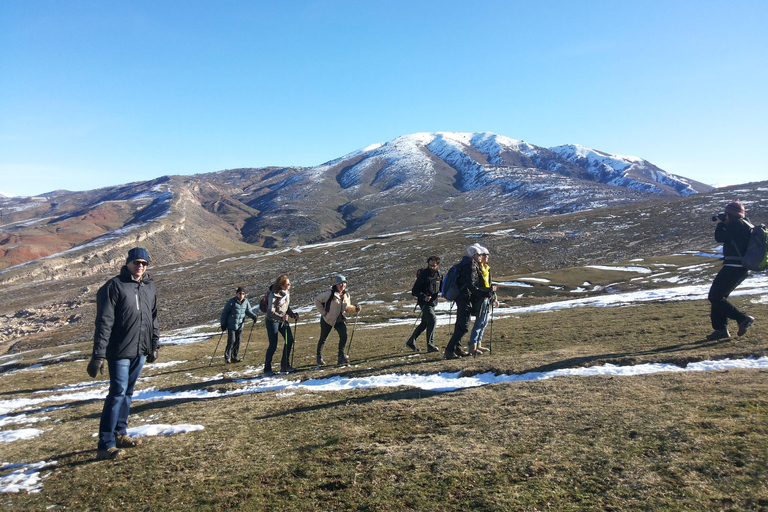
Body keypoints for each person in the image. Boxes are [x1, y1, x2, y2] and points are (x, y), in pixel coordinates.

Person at [87, 247, 160, 461]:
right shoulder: (113, 287)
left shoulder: (149, 287)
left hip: (140, 350)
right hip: (118, 351)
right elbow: (104, 322)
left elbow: (153, 318)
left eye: (144, 263)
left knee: (128, 393)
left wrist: (154, 344)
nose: (140, 266)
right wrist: (99, 354)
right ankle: (105, 444)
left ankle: (121, 433)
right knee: (117, 393)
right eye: (137, 262)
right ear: (128, 263)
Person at [707, 201, 755, 340]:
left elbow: (719, 237)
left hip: (734, 267)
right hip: (741, 267)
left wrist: (720, 224)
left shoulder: (737, 224)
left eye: (727, 214)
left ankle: (743, 319)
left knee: (715, 297)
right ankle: (720, 330)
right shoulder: (746, 224)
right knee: (719, 297)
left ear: (731, 214)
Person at [444, 245, 495, 360]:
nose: (480, 257)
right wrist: (484, 293)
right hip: (465, 299)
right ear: (473, 255)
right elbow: (470, 285)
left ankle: (458, 348)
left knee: (460, 325)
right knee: (464, 327)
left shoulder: (465, 264)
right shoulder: (469, 266)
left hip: (461, 298)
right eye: (478, 254)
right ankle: (449, 350)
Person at [314, 275, 362, 365]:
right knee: (323, 338)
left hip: (339, 320)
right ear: (336, 284)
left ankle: (341, 356)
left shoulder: (346, 295)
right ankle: (319, 357)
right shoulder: (330, 293)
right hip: (327, 319)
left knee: (344, 336)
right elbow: (317, 300)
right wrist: (323, 313)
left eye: (344, 283)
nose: (342, 285)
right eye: (340, 283)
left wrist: (355, 309)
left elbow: (347, 308)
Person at [263, 275, 300, 376]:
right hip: (272, 321)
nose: (289, 285)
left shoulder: (286, 293)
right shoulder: (273, 295)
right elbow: (270, 311)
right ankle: (267, 369)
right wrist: (281, 317)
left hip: (282, 320)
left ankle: (285, 365)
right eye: (287, 284)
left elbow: (286, 306)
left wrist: (292, 314)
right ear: (282, 285)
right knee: (273, 345)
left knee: (290, 340)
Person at [405, 256, 442, 353]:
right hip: (424, 303)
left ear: (437, 265)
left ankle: (411, 341)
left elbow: (441, 288)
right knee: (433, 320)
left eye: (434, 265)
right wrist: (424, 296)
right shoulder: (423, 274)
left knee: (425, 323)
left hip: (433, 303)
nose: (431, 267)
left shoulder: (439, 275)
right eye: (430, 265)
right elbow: (414, 290)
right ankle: (430, 346)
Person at [467, 245, 498, 355]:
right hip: (480, 299)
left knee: (484, 323)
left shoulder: (487, 269)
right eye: (485, 255)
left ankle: (478, 344)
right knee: (479, 322)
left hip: (487, 299)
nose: (486, 257)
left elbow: (489, 284)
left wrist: (494, 297)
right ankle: (473, 345)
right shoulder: (477, 269)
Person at [219, 287, 258, 363]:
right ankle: (227, 357)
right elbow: (224, 314)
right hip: (231, 325)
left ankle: (234, 357)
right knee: (231, 341)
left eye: (243, 294)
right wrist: (223, 324)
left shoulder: (246, 302)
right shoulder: (231, 302)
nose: (241, 295)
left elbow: (248, 311)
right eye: (240, 293)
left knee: (238, 341)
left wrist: (253, 316)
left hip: (240, 325)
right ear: (236, 294)